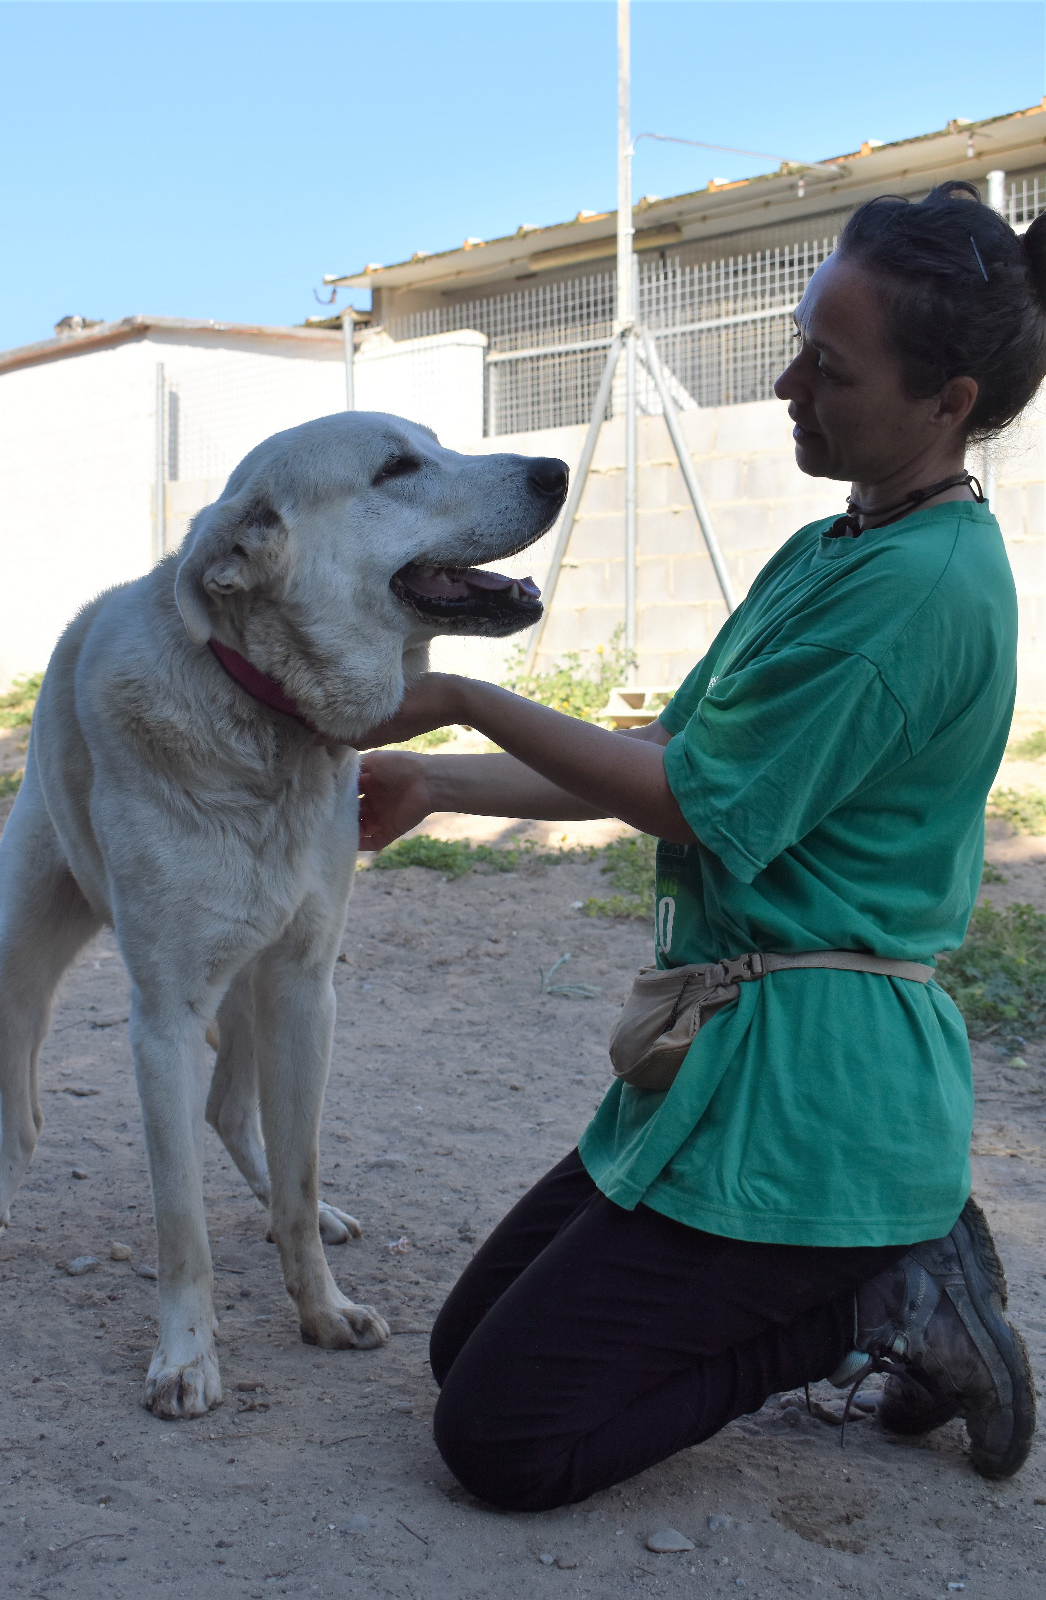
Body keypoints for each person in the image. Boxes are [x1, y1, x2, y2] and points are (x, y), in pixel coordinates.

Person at [356, 182, 1046, 1512]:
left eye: (826, 367)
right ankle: (860, 1284)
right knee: (463, 1356)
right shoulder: (833, 544)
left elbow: (695, 805)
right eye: (799, 342)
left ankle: (877, 1294)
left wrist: (458, 694)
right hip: (724, 1064)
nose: (788, 383)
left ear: (950, 399)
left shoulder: (920, 591)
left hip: (817, 1101)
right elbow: (673, 760)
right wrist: (441, 783)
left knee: (504, 1444)